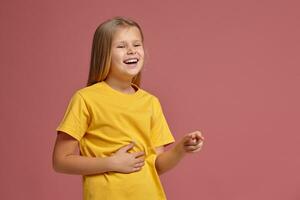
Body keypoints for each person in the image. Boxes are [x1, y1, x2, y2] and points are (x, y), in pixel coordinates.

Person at [52, 16, 205, 200]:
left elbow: (155, 165)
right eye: (121, 46)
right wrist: (111, 163)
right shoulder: (85, 99)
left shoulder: (151, 103)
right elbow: (60, 161)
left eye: (136, 44)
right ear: (104, 54)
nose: (131, 51)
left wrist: (181, 149)